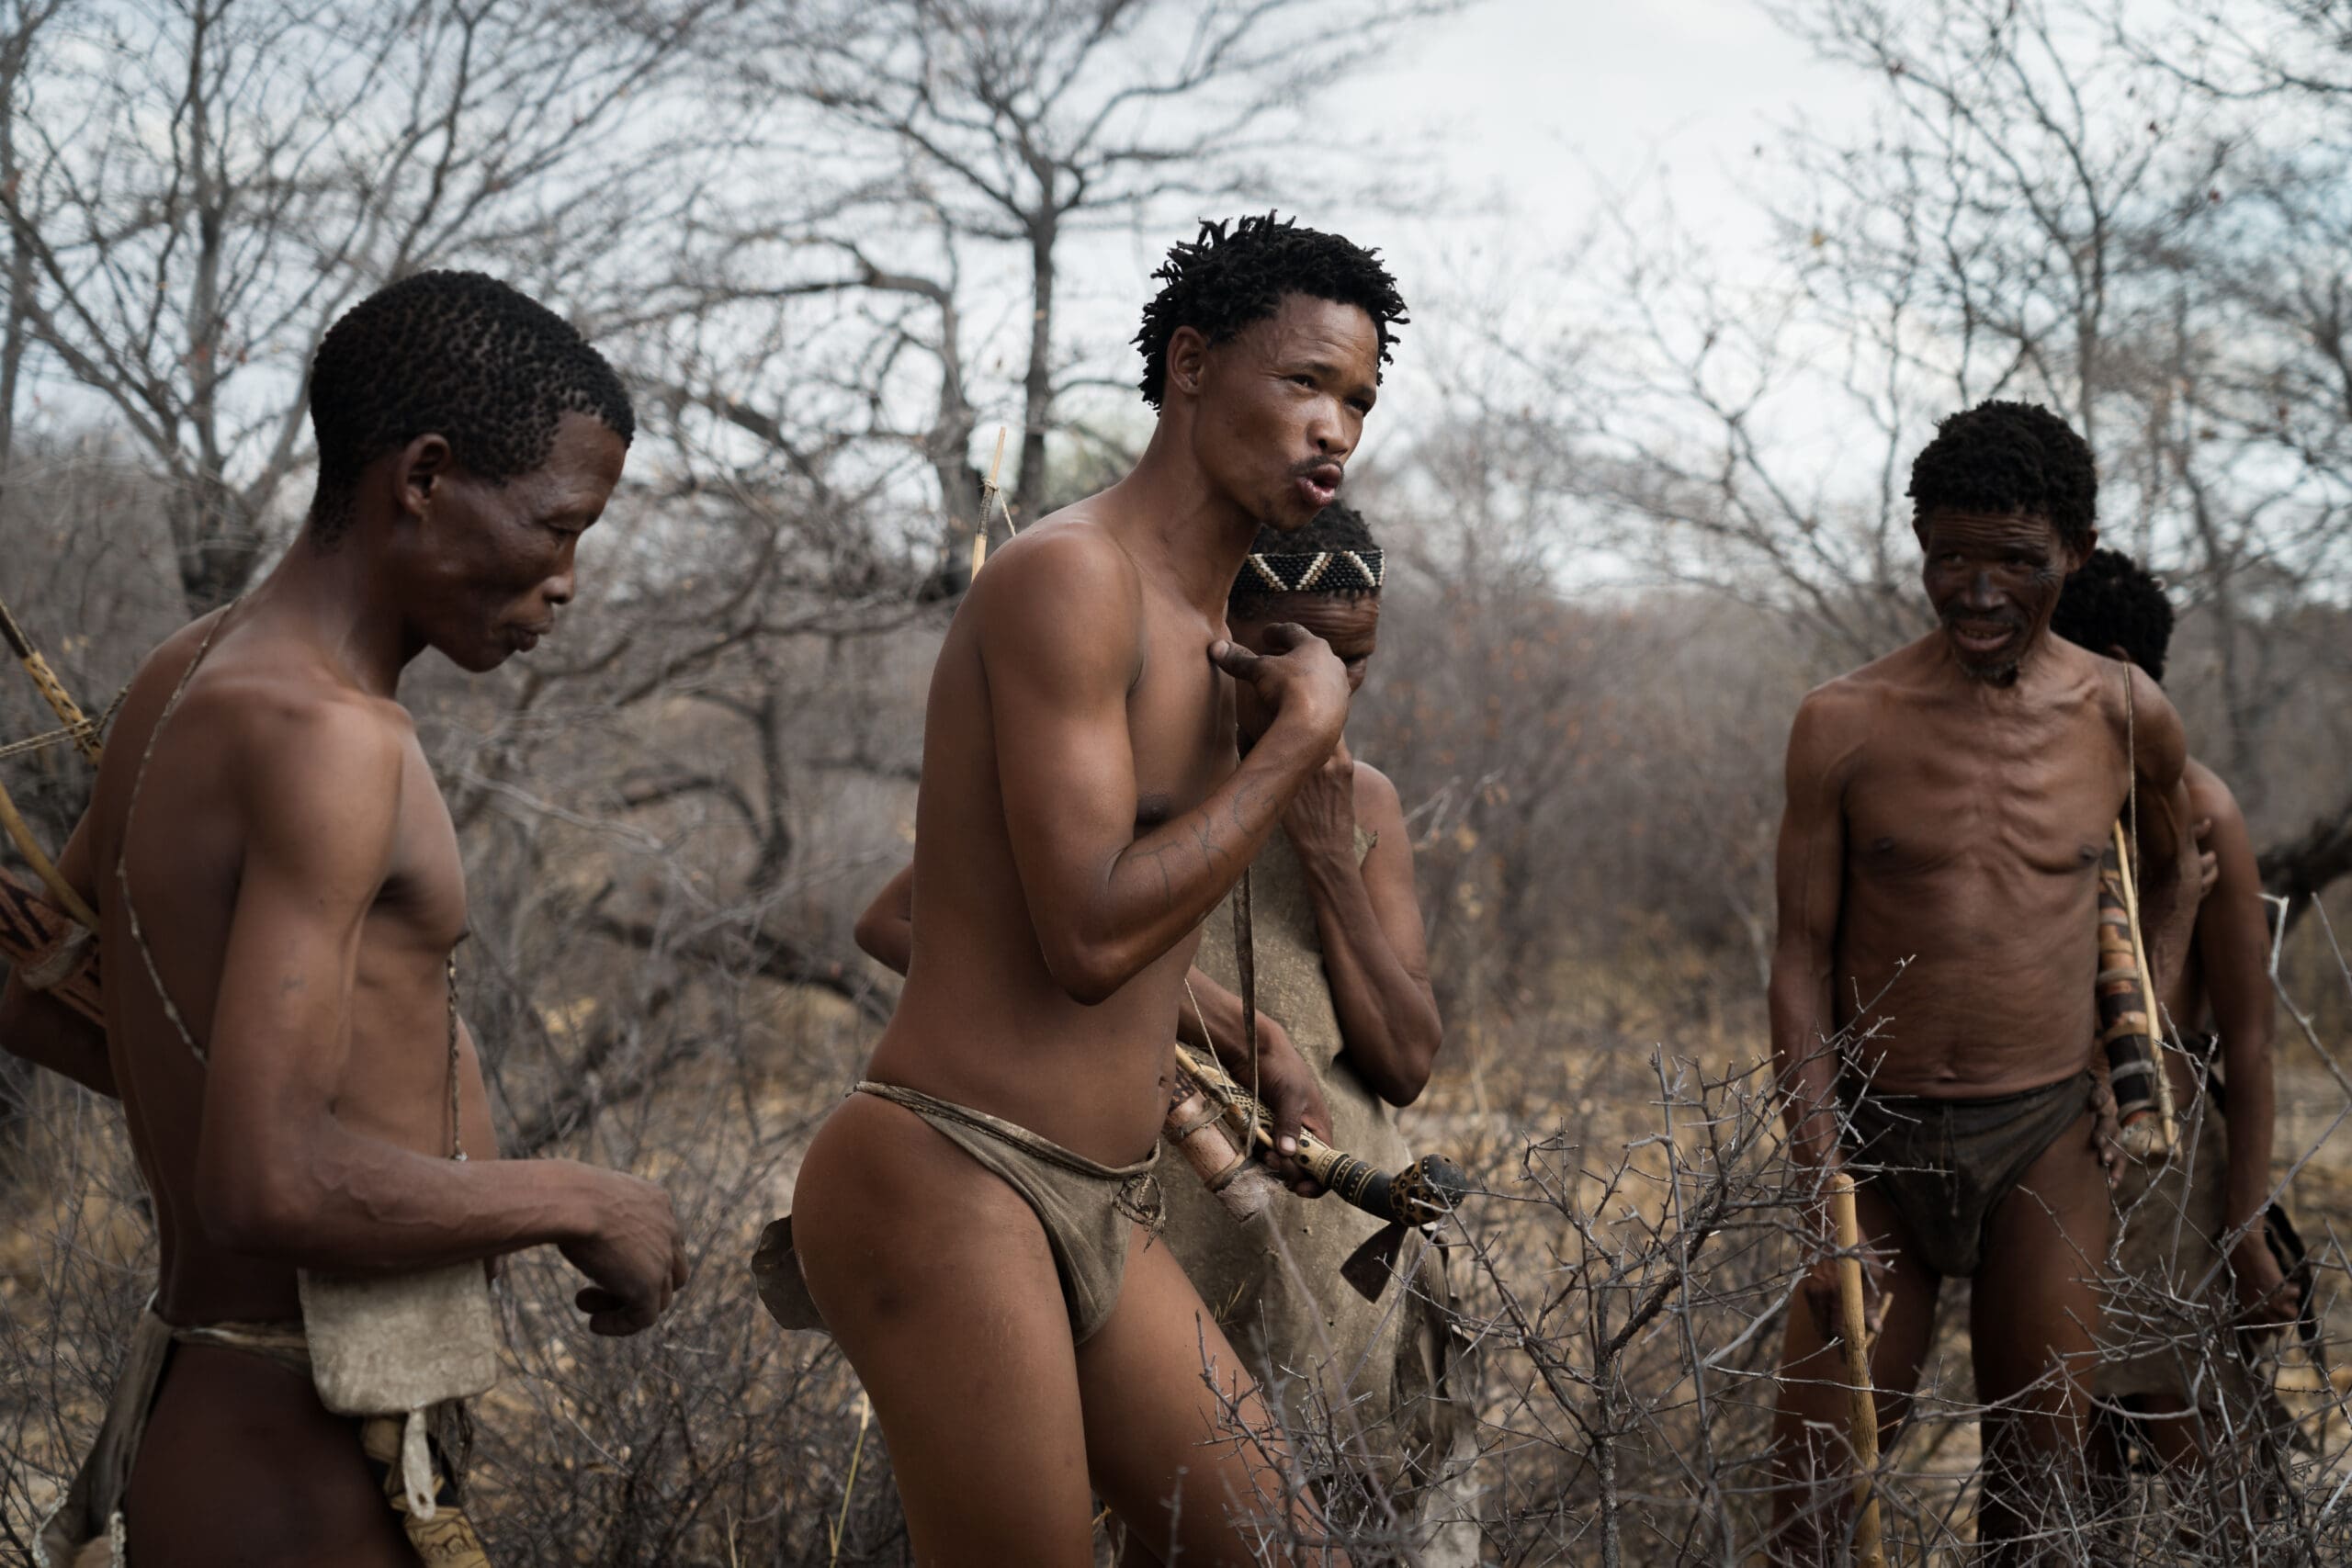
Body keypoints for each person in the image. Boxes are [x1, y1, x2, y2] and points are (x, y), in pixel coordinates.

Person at [4, 271, 689, 1568]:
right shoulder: (332, 739)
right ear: (423, 478)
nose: (566, 582)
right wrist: (577, 1199)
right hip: (297, 1450)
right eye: (556, 527)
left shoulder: (187, 668)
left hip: (224, 1412)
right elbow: (265, 1181)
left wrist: (247, 1118)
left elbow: (35, 993)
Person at [758, 213, 1407, 1567]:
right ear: (1190, 364)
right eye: (1303, 381)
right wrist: (1294, 746)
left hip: (1106, 1196)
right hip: (954, 1170)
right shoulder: (1069, 577)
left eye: (1357, 400)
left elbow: (1085, 912)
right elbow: (1088, 935)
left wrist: (1252, 1035)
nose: (1333, 428)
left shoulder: (1210, 626)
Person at [851, 502, 1473, 1562]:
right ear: (1216, 636)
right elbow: (897, 923)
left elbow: (1405, 1059)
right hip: (1151, 1215)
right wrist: (1223, 1022)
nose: (1328, 683)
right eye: (1290, 651)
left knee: (1322, 1528)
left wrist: (1327, 853)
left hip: (1324, 1241)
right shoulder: (1130, 771)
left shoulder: (1359, 801)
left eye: (1355, 660)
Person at [1766, 400, 2198, 1562]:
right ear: (1919, 545)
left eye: (2016, 561)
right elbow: (1797, 958)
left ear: (2076, 554)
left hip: (2046, 1142)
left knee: (2032, 1499)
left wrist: (2133, 1044)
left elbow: (2176, 873)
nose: (1978, 593)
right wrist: (1819, 1185)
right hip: (1877, 1151)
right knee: (1812, 1508)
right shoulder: (1842, 723)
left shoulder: (2121, 713)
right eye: (1951, 559)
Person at [2049, 549, 2300, 1499]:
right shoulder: (2042, 788)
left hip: (2165, 1150)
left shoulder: (2196, 804)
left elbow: (2251, 1039)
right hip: (2053, 1137)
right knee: (2068, 1416)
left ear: (2115, 670)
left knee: (2179, 1405)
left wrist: (2245, 1231)